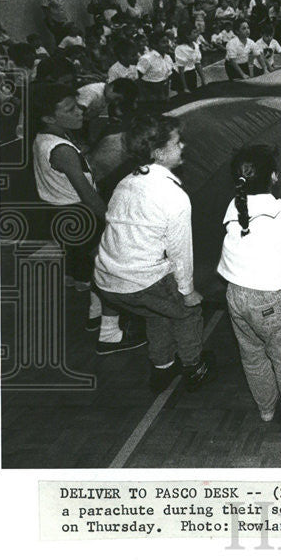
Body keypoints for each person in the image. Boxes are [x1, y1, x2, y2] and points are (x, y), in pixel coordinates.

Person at [93, 114, 215, 393]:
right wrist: (188, 291)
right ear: (158, 153)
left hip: (107, 281)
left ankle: (162, 367)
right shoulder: (173, 196)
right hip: (141, 280)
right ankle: (194, 367)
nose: (183, 146)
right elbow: (180, 251)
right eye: (176, 142)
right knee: (187, 312)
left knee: (157, 311)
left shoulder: (126, 182)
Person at [30, 82, 135, 353]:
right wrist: (110, 220)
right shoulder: (62, 149)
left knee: (93, 266)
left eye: (76, 105)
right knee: (110, 267)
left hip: (59, 214)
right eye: (70, 109)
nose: (79, 111)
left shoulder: (45, 138)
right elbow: (86, 192)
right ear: (48, 118)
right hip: (79, 213)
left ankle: (95, 314)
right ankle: (110, 335)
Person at [217, 145, 281, 424]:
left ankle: (266, 408)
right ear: (274, 177)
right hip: (266, 301)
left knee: (252, 355)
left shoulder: (234, 204)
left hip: (234, 293)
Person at [136, 33, 175, 104]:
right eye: (163, 42)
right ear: (154, 45)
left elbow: (167, 77)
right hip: (149, 95)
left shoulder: (168, 58)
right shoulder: (147, 59)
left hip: (162, 93)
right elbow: (137, 78)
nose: (167, 45)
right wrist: (142, 96)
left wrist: (167, 95)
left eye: (167, 42)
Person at [174, 26, 206, 94]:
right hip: (181, 78)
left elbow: (198, 64)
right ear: (187, 35)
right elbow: (181, 70)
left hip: (192, 74)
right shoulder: (180, 48)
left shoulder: (196, 45)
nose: (197, 34)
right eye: (194, 32)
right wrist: (185, 87)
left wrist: (203, 80)